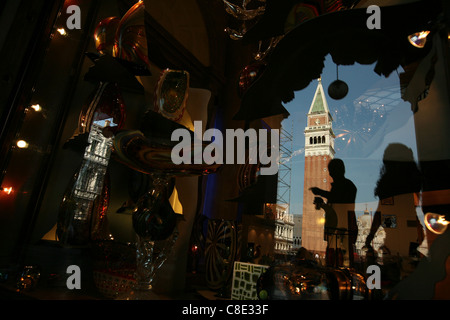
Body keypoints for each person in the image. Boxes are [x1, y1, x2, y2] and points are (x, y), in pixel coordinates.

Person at [310, 158, 358, 267]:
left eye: (331, 170)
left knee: (342, 262)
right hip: (334, 228)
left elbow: (340, 203)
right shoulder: (341, 187)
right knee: (333, 261)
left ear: (339, 171)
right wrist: (322, 204)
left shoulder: (348, 186)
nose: (330, 173)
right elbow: (334, 208)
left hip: (342, 229)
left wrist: (320, 192)